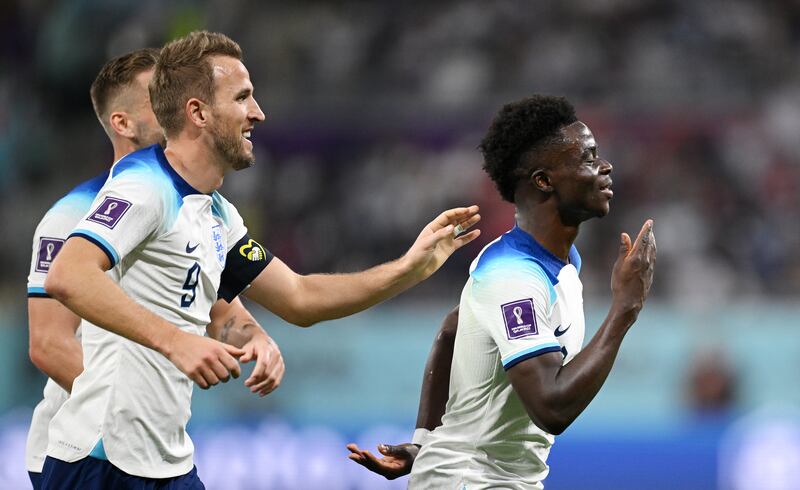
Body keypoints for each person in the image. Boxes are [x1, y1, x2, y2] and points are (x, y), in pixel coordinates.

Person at [41, 31, 480, 488]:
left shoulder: (216, 213)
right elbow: (68, 276)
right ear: (198, 112)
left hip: (164, 461)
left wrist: (409, 268)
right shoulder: (145, 186)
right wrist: (177, 341)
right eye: (243, 97)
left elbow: (299, 297)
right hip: (99, 461)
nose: (258, 113)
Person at [347, 95, 656, 488]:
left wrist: (423, 441)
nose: (605, 166)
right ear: (544, 180)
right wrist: (624, 310)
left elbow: (450, 332)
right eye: (588, 157)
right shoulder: (512, 277)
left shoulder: (555, 262)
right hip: (469, 479)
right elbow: (551, 407)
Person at [25, 48, 285, 489]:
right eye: (157, 96)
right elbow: (48, 344)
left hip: (155, 451)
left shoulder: (192, 205)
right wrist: (135, 403)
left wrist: (254, 336)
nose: (173, 105)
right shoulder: (73, 214)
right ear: (122, 123)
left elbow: (219, 310)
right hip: (88, 449)